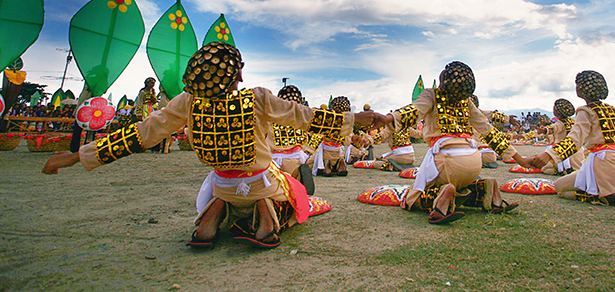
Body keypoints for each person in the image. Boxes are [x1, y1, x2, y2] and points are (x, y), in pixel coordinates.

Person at [42, 42, 388, 250]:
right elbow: (307, 117)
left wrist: (76, 156)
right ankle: (266, 219)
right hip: (260, 182)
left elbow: (141, 135)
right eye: (238, 71)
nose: (240, 77)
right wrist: (355, 118)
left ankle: (208, 222)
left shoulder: (187, 102)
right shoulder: (258, 99)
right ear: (233, 75)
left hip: (222, 183)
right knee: (295, 189)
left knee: (220, 180)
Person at [375, 61, 538, 224]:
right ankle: (490, 190)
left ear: (443, 77)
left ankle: (443, 196)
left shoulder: (431, 94)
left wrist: (388, 118)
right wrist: (519, 159)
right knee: (463, 187)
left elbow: (413, 111)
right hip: (474, 162)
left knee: (413, 198)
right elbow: (489, 131)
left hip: (447, 161)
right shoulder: (466, 102)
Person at [530, 71, 615, 207]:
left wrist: (548, 155)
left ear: (580, 89)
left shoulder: (585, 111)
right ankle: (609, 190)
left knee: (560, 187)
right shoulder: (612, 110)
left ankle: (599, 194)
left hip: (601, 164)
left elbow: (575, 140)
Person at [269, 84, 315, 196]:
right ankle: (298, 179)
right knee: (312, 159)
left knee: (274, 178)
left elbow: (267, 143)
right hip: (297, 157)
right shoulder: (301, 122)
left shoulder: (271, 121)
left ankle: (280, 185)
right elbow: (304, 143)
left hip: (276, 161)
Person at [536, 98, 584, 175]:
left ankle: (562, 171)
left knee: (545, 168)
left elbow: (553, 128)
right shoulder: (573, 121)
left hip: (564, 151)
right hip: (577, 150)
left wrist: (544, 130)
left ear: (557, 112)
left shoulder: (560, 123)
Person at [311, 96, 351, 177]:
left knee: (309, 163)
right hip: (337, 150)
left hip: (328, 149)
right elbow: (348, 141)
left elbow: (317, 136)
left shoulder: (326, 120)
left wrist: (308, 151)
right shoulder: (347, 124)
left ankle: (328, 166)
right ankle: (338, 165)